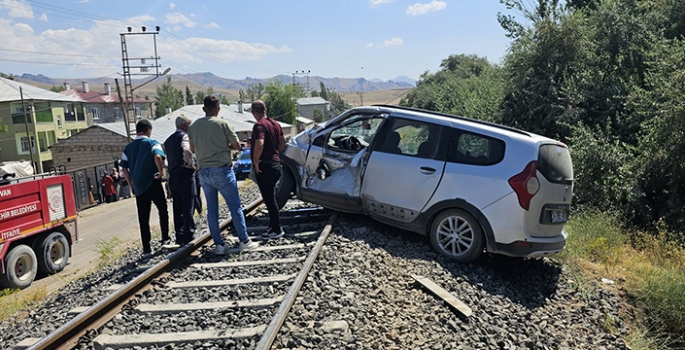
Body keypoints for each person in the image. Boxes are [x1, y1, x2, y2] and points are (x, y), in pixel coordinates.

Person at [187, 96, 259, 255]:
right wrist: (222, 146)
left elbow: (193, 150)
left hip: (204, 172)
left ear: (203, 109)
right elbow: (236, 146)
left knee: (212, 210)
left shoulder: (194, 127)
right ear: (218, 109)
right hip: (222, 170)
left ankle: (219, 245)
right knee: (235, 207)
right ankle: (244, 241)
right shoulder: (224, 124)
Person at [120, 119, 171, 256]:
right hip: (153, 182)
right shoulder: (152, 143)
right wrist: (160, 172)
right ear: (148, 130)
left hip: (138, 186)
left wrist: (131, 184)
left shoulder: (128, 148)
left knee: (143, 217)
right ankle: (165, 238)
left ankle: (146, 248)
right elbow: (158, 157)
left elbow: (124, 168)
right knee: (162, 210)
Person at [250, 100, 286, 240]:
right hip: (276, 164)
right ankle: (273, 226)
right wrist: (276, 153)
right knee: (271, 198)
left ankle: (276, 229)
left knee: (269, 199)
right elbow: (282, 141)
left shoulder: (259, 126)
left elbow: (260, 143)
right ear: (265, 110)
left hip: (265, 166)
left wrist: (255, 161)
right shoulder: (275, 124)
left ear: (254, 112)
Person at [164, 115, 197, 246]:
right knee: (188, 204)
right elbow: (186, 150)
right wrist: (189, 164)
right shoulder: (184, 136)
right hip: (185, 174)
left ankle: (179, 235)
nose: (190, 127)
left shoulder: (168, 140)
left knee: (177, 207)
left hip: (173, 176)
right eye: (189, 124)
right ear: (183, 125)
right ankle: (189, 234)